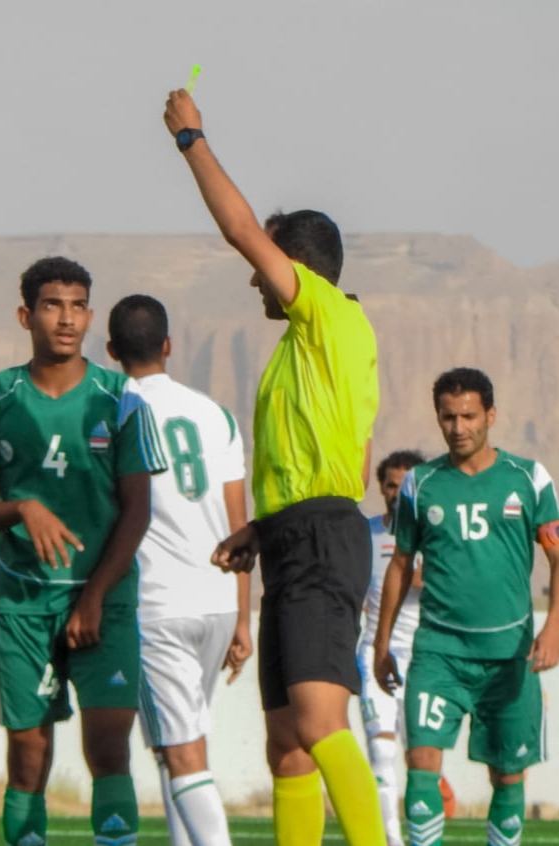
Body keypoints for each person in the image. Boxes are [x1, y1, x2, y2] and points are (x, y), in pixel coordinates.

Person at [164, 89, 385, 846]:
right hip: (298, 536)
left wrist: (190, 137)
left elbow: (236, 229)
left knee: (322, 724)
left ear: (289, 265)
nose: (255, 277)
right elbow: (340, 455)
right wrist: (264, 525)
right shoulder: (310, 346)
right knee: (287, 744)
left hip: (323, 540)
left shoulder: (323, 310)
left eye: (266, 263)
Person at [0, 257, 167, 846]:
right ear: (27, 315)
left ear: (91, 315)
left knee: (107, 746)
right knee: (28, 753)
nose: (66, 318)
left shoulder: (121, 398)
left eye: (78, 305)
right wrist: (21, 507)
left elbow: (137, 511)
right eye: (53, 305)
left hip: (105, 602)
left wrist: (95, 596)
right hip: (25, 602)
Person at [374, 367, 559, 846]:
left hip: (510, 656)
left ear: (490, 416)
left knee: (508, 777)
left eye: (469, 416)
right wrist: (381, 643)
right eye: (448, 417)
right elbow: (399, 565)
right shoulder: (420, 483)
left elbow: (558, 556)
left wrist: (555, 626)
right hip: (439, 654)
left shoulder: (530, 479)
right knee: (421, 766)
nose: (458, 427)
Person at [107, 294, 252, 846]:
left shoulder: (114, 408)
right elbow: (239, 524)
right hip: (215, 602)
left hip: (158, 604)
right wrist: (243, 617)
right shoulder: (215, 414)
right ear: (168, 346)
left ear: (112, 350)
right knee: (178, 746)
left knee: (181, 751)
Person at [358, 450, 425, 846]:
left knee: (419, 758)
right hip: (374, 654)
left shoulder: (436, 534)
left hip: (424, 660)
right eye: (390, 485)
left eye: (405, 485)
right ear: (381, 488)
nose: (396, 493)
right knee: (380, 755)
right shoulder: (365, 533)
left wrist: (422, 580)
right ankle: (391, 841)